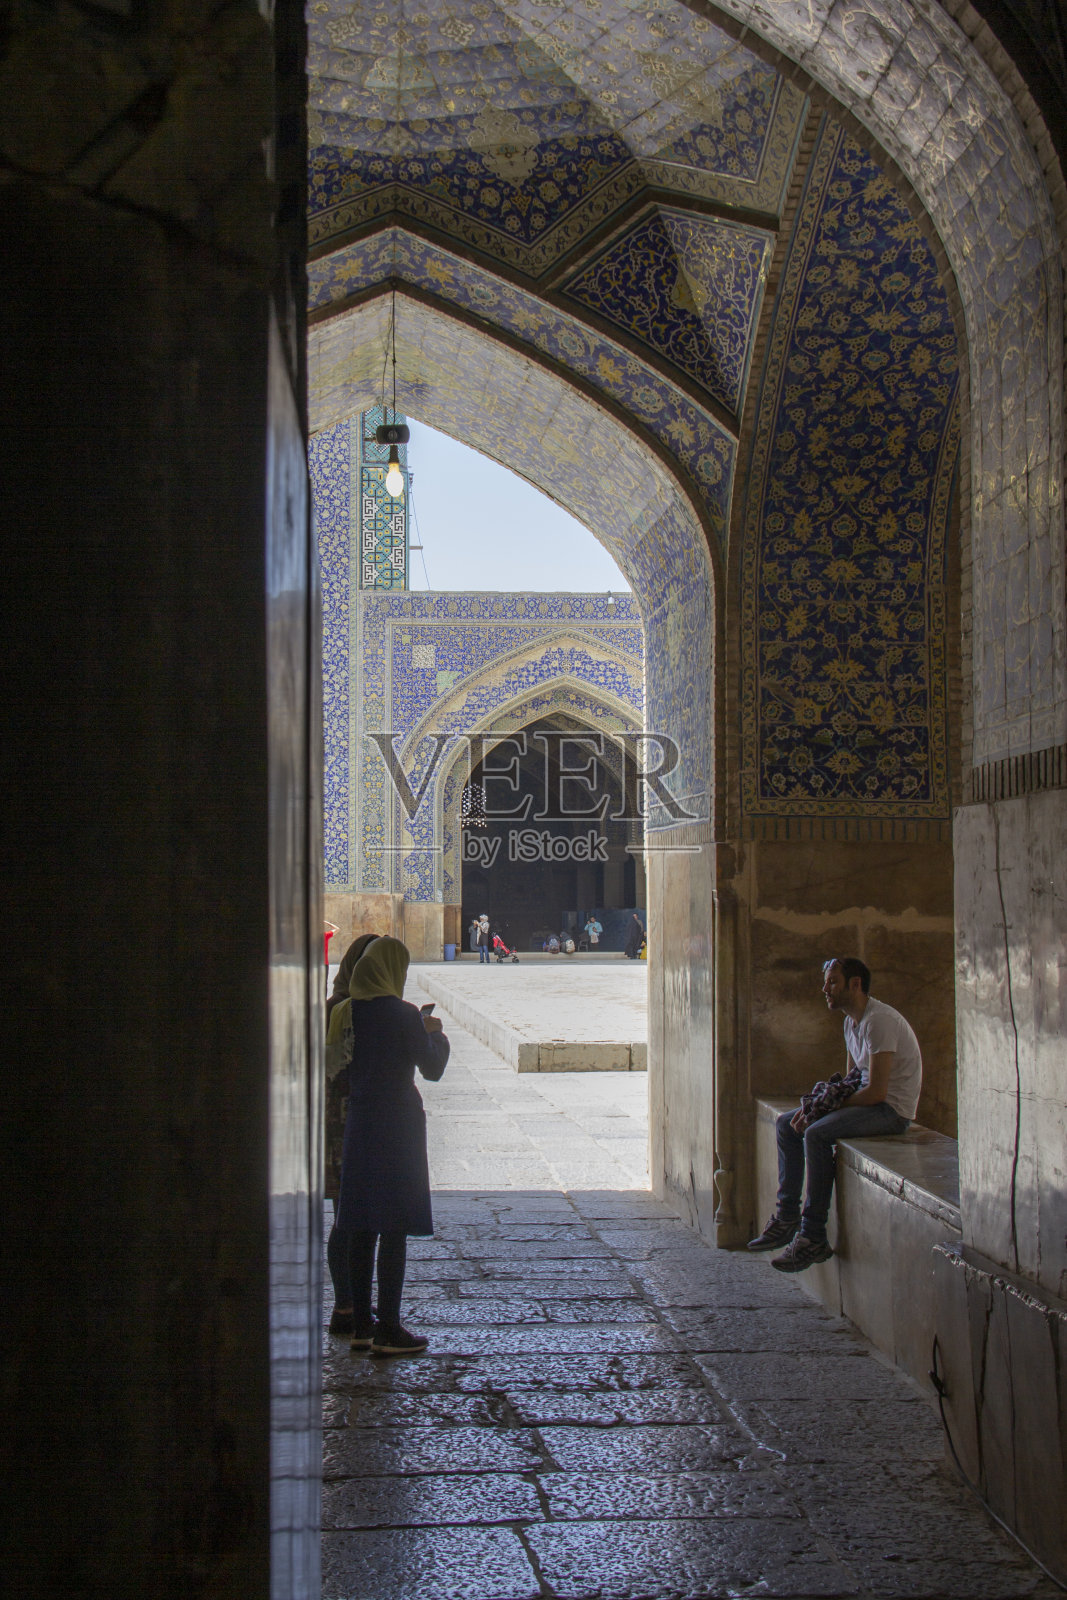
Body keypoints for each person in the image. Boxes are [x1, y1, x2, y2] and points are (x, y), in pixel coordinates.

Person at [748, 956, 922, 1272]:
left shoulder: (879, 1022)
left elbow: (877, 1092)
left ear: (855, 984)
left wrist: (821, 1112)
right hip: (868, 1102)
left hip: (890, 1111)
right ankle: (787, 1217)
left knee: (815, 1133)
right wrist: (816, 1106)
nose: (825, 989)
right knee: (787, 1123)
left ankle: (812, 1235)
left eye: (833, 982)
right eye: (827, 982)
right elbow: (851, 1079)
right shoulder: (850, 1022)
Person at [336, 936, 449, 1354]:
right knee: (393, 1227)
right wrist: (436, 1035)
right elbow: (432, 1068)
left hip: (361, 1120)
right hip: (398, 1123)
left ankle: (362, 1327)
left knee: (361, 1226)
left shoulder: (346, 1012)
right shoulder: (403, 1015)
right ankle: (390, 1328)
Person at [323, 931, 379, 1335]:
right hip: (358, 1125)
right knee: (359, 1221)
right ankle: (356, 1308)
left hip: (331, 1125)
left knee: (343, 1217)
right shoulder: (368, 1012)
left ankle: (345, 1306)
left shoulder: (329, 1010)